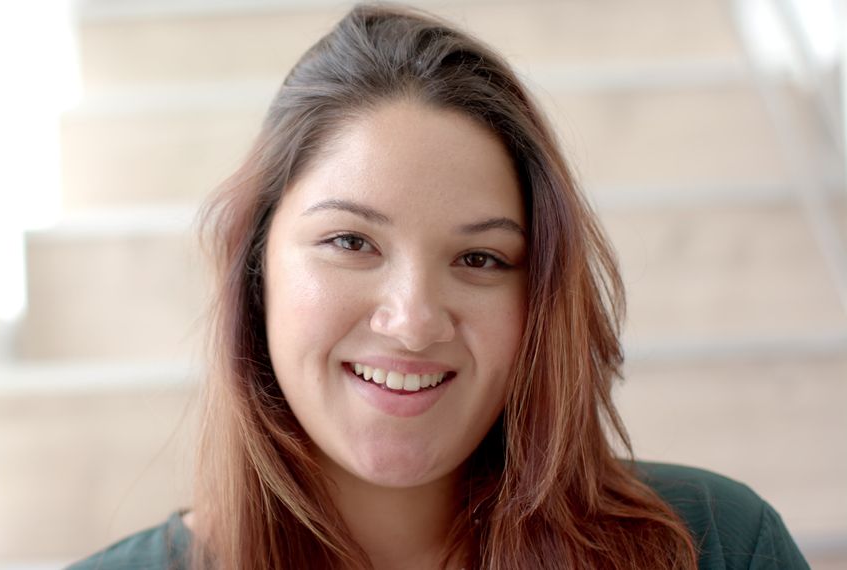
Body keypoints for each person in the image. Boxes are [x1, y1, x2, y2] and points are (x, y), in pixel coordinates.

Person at [68, 4, 809, 569]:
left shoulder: (716, 547)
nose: (414, 321)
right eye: (351, 243)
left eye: (481, 259)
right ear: (255, 268)